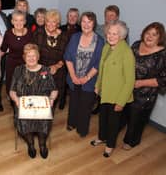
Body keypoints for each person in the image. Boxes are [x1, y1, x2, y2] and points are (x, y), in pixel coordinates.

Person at [91, 20, 135, 158]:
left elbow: (130, 81)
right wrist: (98, 85)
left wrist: (121, 102)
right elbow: (101, 69)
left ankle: (110, 145)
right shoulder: (106, 47)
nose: (111, 36)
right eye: (109, 33)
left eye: (114, 34)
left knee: (113, 123)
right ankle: (102, 137)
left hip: (117, 95)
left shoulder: (127, 53)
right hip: (105, 92)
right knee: (103, 118)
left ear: (121, 36)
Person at [10, 43, 58, 159]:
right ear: (24, 57)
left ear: (38, 57)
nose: (31, 58)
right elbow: (12, 91)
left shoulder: (46, 70)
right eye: (28, 56)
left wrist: (51, 99)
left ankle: (42, 145)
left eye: (34, 56)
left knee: (43, 122)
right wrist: (16, 100)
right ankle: (30, 145)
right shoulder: (18, 70)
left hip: (42, 107)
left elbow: (54, 90)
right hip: (24, 106)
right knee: (24, 121)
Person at [122, 22, 166, 150]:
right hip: (127, 87)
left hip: (145, 93)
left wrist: (140, 83)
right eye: (148, 33)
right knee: (123, 112)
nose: (149, 36)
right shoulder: (136, 44)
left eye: (154, 34)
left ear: (160, 37)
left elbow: (163, 79)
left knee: (137, 119)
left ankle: (131, 141)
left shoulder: (162, 55)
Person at [64, 12, 104, 137]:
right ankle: (72, 123)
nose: (86, 25)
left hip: (89, 80)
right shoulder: (75, 37)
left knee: (85, 106)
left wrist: (86, 78)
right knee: (74, 102)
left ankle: (82, 129)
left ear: (94, 24)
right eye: (84, 21)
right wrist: (74, 76)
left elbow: (98, 64)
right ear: (80, 23)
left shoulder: (100, 41)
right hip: (74, 78)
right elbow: (68, 57)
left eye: (89, 22)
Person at [32, 9, 69, 109]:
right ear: (45, 21)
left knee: (51, 104)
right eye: (48, 21)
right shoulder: (38, 33)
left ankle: (46, 123)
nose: (51, 24)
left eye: (54, 21)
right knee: (38, 102)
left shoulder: (65, 37)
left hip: (57, 75)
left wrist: (57, 66)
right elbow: (31, 53)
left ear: (58, 23)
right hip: (39, 73)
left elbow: (67, 56)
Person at [1, 10, 32, 96]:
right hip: (12, 63)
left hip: (26, 63)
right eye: (16, 20)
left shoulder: (30, 33)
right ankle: (11, 98)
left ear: (25, 21)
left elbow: (34, 49)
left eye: (21, 20)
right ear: (12, 21)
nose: (18, 23)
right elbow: (3, 49)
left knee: (25, 85)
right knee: (11, 84)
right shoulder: (8, 34)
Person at [59, 8, 81, 110]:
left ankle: (74, 103)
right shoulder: (60, 28)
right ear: (67, 17)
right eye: (70, 16)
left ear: (78, 18)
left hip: (76, 61)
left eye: (75, 16)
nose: (72, 18)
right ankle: (61, 101)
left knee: (73, 82)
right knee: (62, 80)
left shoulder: (82, 30)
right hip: (62, 58)